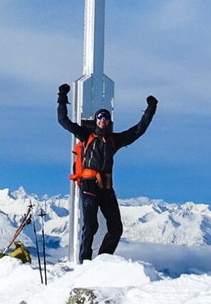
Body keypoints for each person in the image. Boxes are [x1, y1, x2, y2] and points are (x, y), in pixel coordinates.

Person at [58, 85, 157, 261]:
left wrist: (150, 109)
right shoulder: (86, 135)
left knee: (116, 227)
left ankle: (102, 260)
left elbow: (138, 130)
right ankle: (85, 261)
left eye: (106, 118)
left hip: (106, 186)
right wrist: (62, 96)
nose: (103, 120)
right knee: (90, 225)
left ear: (109, 122)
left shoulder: (114, 140)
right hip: (89, 184)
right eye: (100, 117)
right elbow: (63, 120)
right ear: (96, 120)